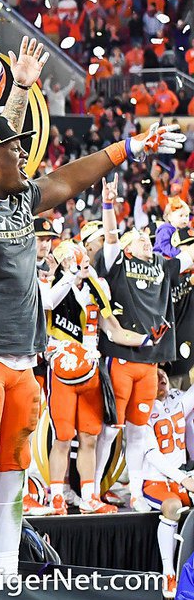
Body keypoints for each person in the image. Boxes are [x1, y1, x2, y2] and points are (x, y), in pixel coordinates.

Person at [0, 37, 186, 586]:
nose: (26, 154)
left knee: (11, 473)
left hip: (18, 353)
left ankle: (5, 574)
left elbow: (65, 179)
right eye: (14, 149)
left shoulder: (16, 195)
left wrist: (127, 149)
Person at [95, 200, 194, 512]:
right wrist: (108, 203)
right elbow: (110, 237)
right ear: (126, 248)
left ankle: (135, 491)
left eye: (147, 239)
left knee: (139, 430)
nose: (146, 241)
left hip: (148, 362)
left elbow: (189, 255)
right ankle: (94, 490)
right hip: (121, 358)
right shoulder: (116, 264)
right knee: (112, 429)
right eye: (139, 239)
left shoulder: (161, 268)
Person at [44, 239, 156, 515]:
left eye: (79, 258)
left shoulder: (95, 288)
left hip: (91, 370)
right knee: (62, 437)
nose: (78, 263)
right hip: (63, 369)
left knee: (90, 437)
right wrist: (69, 275)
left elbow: (113, 329)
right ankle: (56, 495)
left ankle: (89, 496)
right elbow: (50, 302)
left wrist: (146, 340)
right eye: (71, 259)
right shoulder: (50, 284)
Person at [138, 368, 194, 599]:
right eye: (154, 375)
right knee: (172, 507)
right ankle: (168, 572)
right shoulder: (140, 411)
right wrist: (184, 479)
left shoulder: (177, 400)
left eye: (162, 374)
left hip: (180, 479)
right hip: (156, 481)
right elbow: (152, 454)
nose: (161, 378)